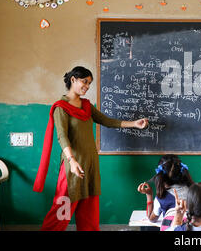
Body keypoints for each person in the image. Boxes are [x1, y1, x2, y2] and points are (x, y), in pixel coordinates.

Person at [33, 66, 149, 231]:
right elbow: (62, 136)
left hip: (90, 164)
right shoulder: (61, 107)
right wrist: (72, 161)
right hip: (72, 167)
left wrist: (134, 124)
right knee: (62, 209)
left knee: (89, 212)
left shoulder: (86, 105)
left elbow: (105, 120)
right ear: (73, 80)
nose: (87, 86)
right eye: (84, 82)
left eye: (89, 83)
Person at [137, 154, 194, 227]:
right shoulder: (193, 191)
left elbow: (151, 219)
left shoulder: (161, 197)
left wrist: (149, 195)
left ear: (160, 176)